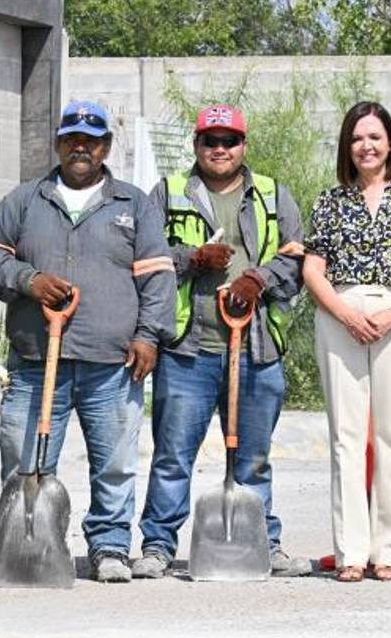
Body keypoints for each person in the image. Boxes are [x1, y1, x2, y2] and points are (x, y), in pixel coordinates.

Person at [0, 100, 176, 583]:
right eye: (71, 139)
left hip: (111, 361)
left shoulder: (133, 204)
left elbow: (157, 276)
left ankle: (110, 547)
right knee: (25, 459)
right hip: (34, 358)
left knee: (114, 463)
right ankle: (20, 546)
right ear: (58, 143)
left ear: (106, 147)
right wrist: (28, 280)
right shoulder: (26, 200)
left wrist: (149, 335)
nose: (80, 147)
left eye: (91, 140)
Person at [132, 104, 309, 580]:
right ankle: (157, 545)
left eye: (229, 141)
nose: (220, 149)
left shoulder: (271, 194)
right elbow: (143, 257)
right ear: (196, 145)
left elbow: (297, 256)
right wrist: (191, 258)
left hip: (255, 350)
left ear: (243, 146)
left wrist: (260, 280)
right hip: (189, 351)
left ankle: (264, 543)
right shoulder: (168, 193)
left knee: (253, 458)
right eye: (210, 141)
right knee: (172, 456)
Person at [303, 102, 391, 583]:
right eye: (358, 138)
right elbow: (312, 269)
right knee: (345, 437)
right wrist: (344, 312)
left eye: (375, 137)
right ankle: (351, 553)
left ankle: (387, 552)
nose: (367, 146)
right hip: (341, 315)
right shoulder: (329, 201)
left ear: (390, 143)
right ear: (347, 145)